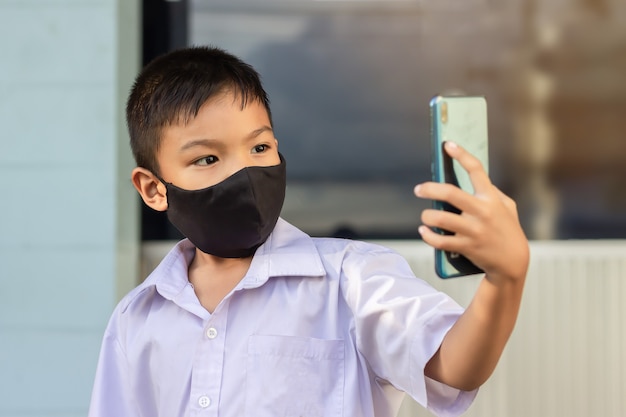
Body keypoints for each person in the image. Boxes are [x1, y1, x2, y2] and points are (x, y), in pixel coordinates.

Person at [88, 46, 529, 417]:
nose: (244, 171)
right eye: (207, 159)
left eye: (259, 147)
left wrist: (504, 279)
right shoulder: (135, 319)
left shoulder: (353, 281)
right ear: (153, 189)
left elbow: (455, 363)